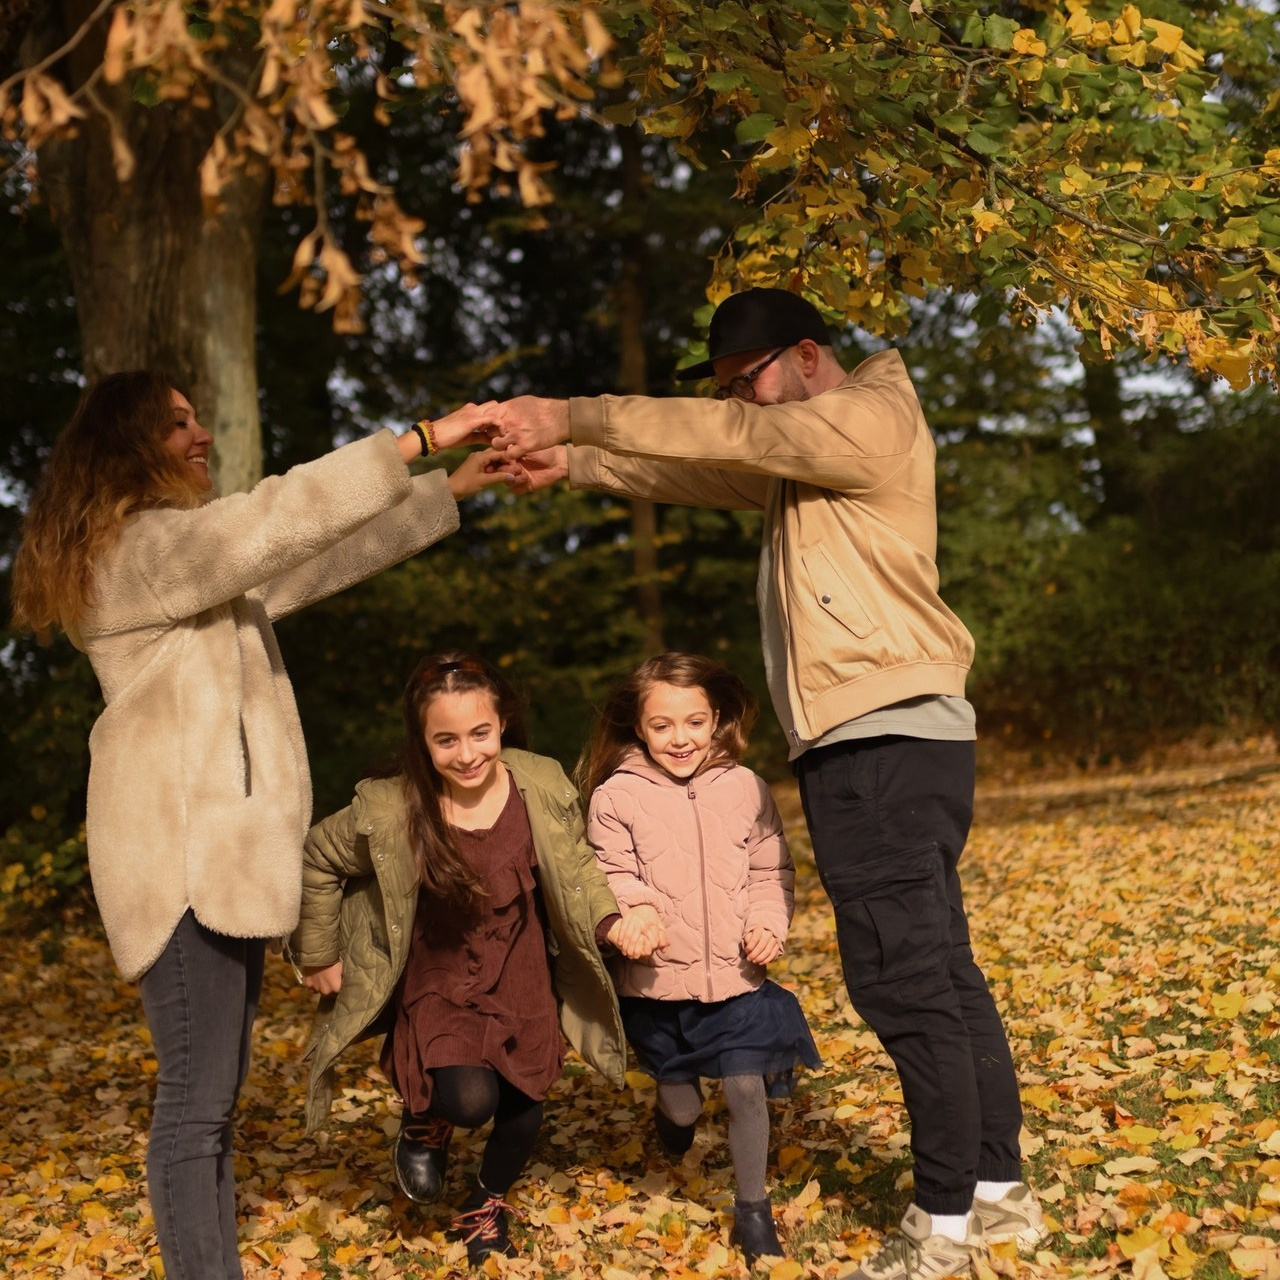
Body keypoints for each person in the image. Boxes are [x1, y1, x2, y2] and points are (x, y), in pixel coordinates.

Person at [484, 288, 1044, 1280]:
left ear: (808, 355)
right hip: (890, 735)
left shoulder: (865, 416)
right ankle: (997, 1195)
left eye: (751, 381)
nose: (743, 402)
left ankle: (944, 1218)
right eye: (733, 388)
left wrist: (569, 411)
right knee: (943, 970)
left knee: (901, 979)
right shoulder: (808, 463)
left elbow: (718, 431)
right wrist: (572, 462)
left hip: (875, 738)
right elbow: (700, 461)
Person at [8, 371, 506, 1280]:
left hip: (218, 868)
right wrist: (421, 440)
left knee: (213, 1105)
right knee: (195, 1107)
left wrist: (449, 491)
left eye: (199, 418)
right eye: (177, 424)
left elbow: (298, 561)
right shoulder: (137, 552)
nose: (199, 435)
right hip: (181, 868)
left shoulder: (182, 564)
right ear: (126, 443)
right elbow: (273, 520)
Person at [289, 652, 655, 1264]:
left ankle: (484, 1202)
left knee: (525, 1105)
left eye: (480, 733)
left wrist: (613, 920)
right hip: (439, 975)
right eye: (446, 739)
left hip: (520, 967)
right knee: (469, 1100)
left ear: (503, 724)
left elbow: (577, 868)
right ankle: (426, 1117)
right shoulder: (391, 808)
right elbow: (318, 858)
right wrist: (319, 951)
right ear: (423, 741)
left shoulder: (538, 782)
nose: (467, 753)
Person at [578, 651, 820, 1267]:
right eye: (662, 726)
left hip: (737, 980)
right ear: (639, 727)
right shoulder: (615, 797)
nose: (680, 738)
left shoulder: (744, 787)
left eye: (694, 722)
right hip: (658, 986)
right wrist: (633, 915)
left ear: (717, 720)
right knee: (684, 1105)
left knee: (744, 1086)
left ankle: (752, 1211)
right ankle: (673, 1112)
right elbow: (609, 873)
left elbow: (771, 868)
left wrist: (768, 922)